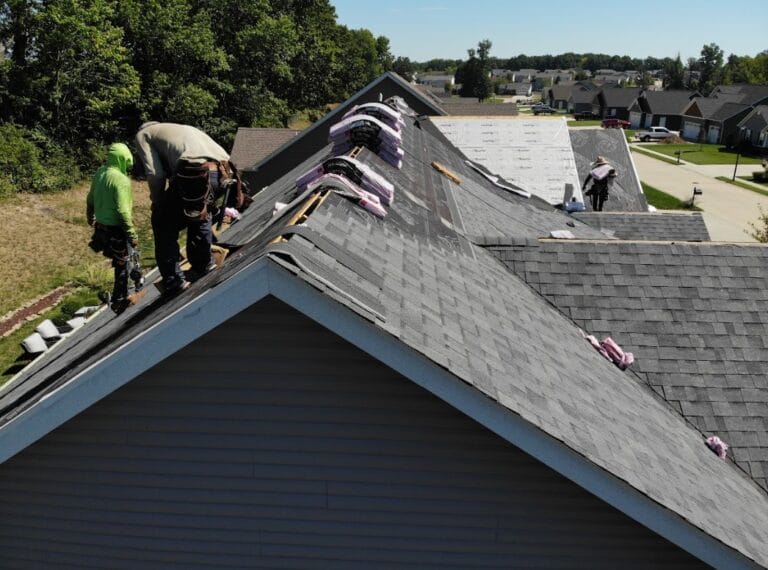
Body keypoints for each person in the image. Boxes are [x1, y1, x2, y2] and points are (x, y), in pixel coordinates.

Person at [134, 122, 243, 294]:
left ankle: (174, 281)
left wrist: (157, 201)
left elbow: (156, 174)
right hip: (225, 172)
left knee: (162, 221)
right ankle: (203, 263)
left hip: (195, 171)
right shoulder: (176, 129)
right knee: (199, 211)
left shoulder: (143, 135)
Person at [87, 143, 144, 314]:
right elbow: (123, 211)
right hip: (116, 229)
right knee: (122, 262)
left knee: (121, 260)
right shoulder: (121, 180)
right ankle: (120, 298)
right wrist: (131, 233)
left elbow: (90, 198)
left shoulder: (100, 173)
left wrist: (90, 216)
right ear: (123, 159)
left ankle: (128, 287)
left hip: (101, 228)